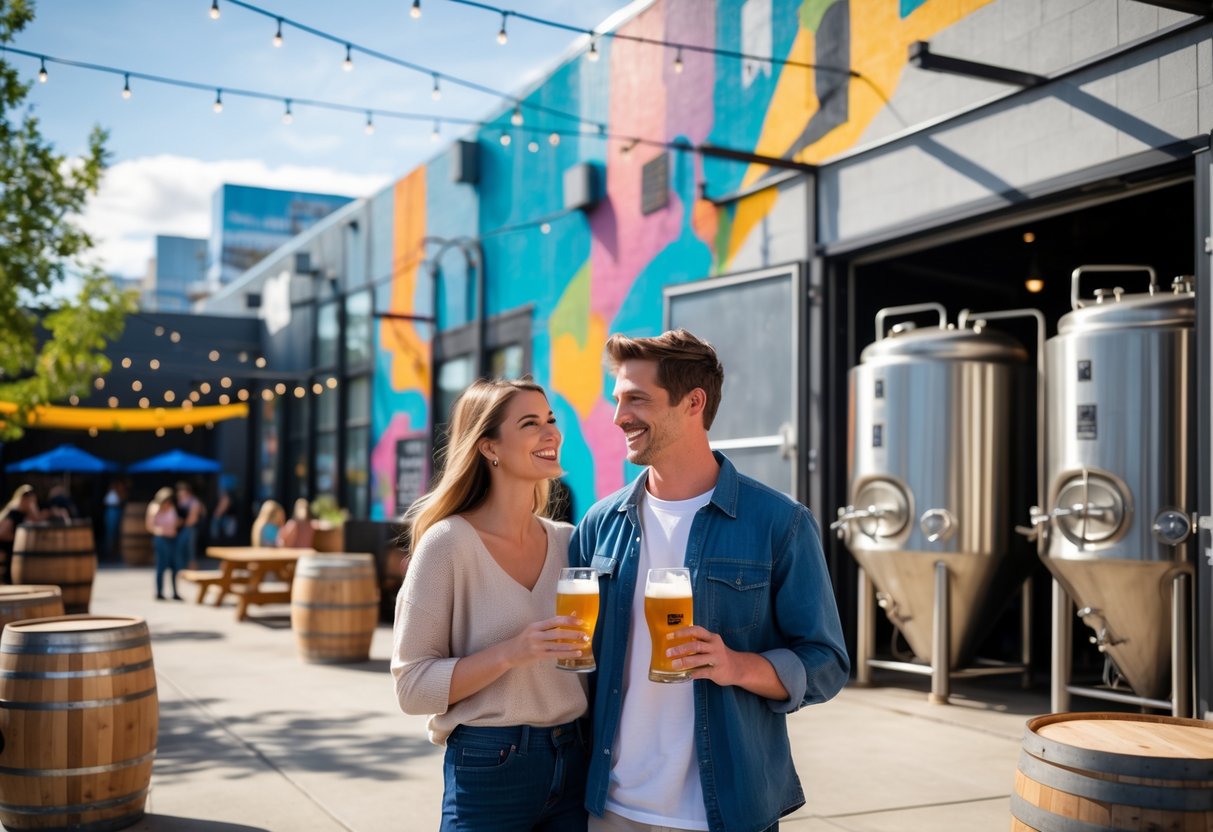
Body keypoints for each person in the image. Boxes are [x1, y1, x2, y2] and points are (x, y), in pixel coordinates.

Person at [570, 329, 849, 832]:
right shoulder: (600, 523)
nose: (618, 417)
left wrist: (736, 665)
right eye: (617, 399)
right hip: (609, 807)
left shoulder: (778, 523)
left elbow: (826, 663)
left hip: (727, 811)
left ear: (693, 402)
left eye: (637, 399)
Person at [391, 378, 590, 832]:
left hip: (576, 760)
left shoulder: (569, 543)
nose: (551, 434)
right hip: (489, 763)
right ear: (488, 448)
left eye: (551, 421)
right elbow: (412, 688)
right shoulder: (448, 544)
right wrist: (511, 653)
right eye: (530, 424)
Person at [146, 486, 182, 601]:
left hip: (173, 539)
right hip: (161, 539)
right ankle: (159, 592)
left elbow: (175, 522)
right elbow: (149, 526)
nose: (168, 503)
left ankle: (175, 592)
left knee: (175, 566)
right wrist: (160, 530)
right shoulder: (154, 507)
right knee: (161, 565)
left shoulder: (172, 508)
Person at [0, 485, 41, 582]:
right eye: (28, 499)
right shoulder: (14, 513)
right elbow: (2, 534)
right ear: (22, 499)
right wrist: (18, 539)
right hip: (7, 548)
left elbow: (37, 520)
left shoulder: (24, 513)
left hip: (15, 548)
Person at [175, 481, 205, 570]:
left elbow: (192, 519)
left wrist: (180, 522)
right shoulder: (181, 501)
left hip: (191, 528)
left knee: (190, 549)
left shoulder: (194, 502)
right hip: (184, 528)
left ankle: (192, 568)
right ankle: (183, 568)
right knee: (183, 548)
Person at [102, 478, 127, 562]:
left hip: (115, 511)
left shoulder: (117, 493)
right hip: (112, 512)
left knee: (115, 534)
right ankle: (109, 555)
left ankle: (114, 554)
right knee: (110, 534)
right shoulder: (112, 494)